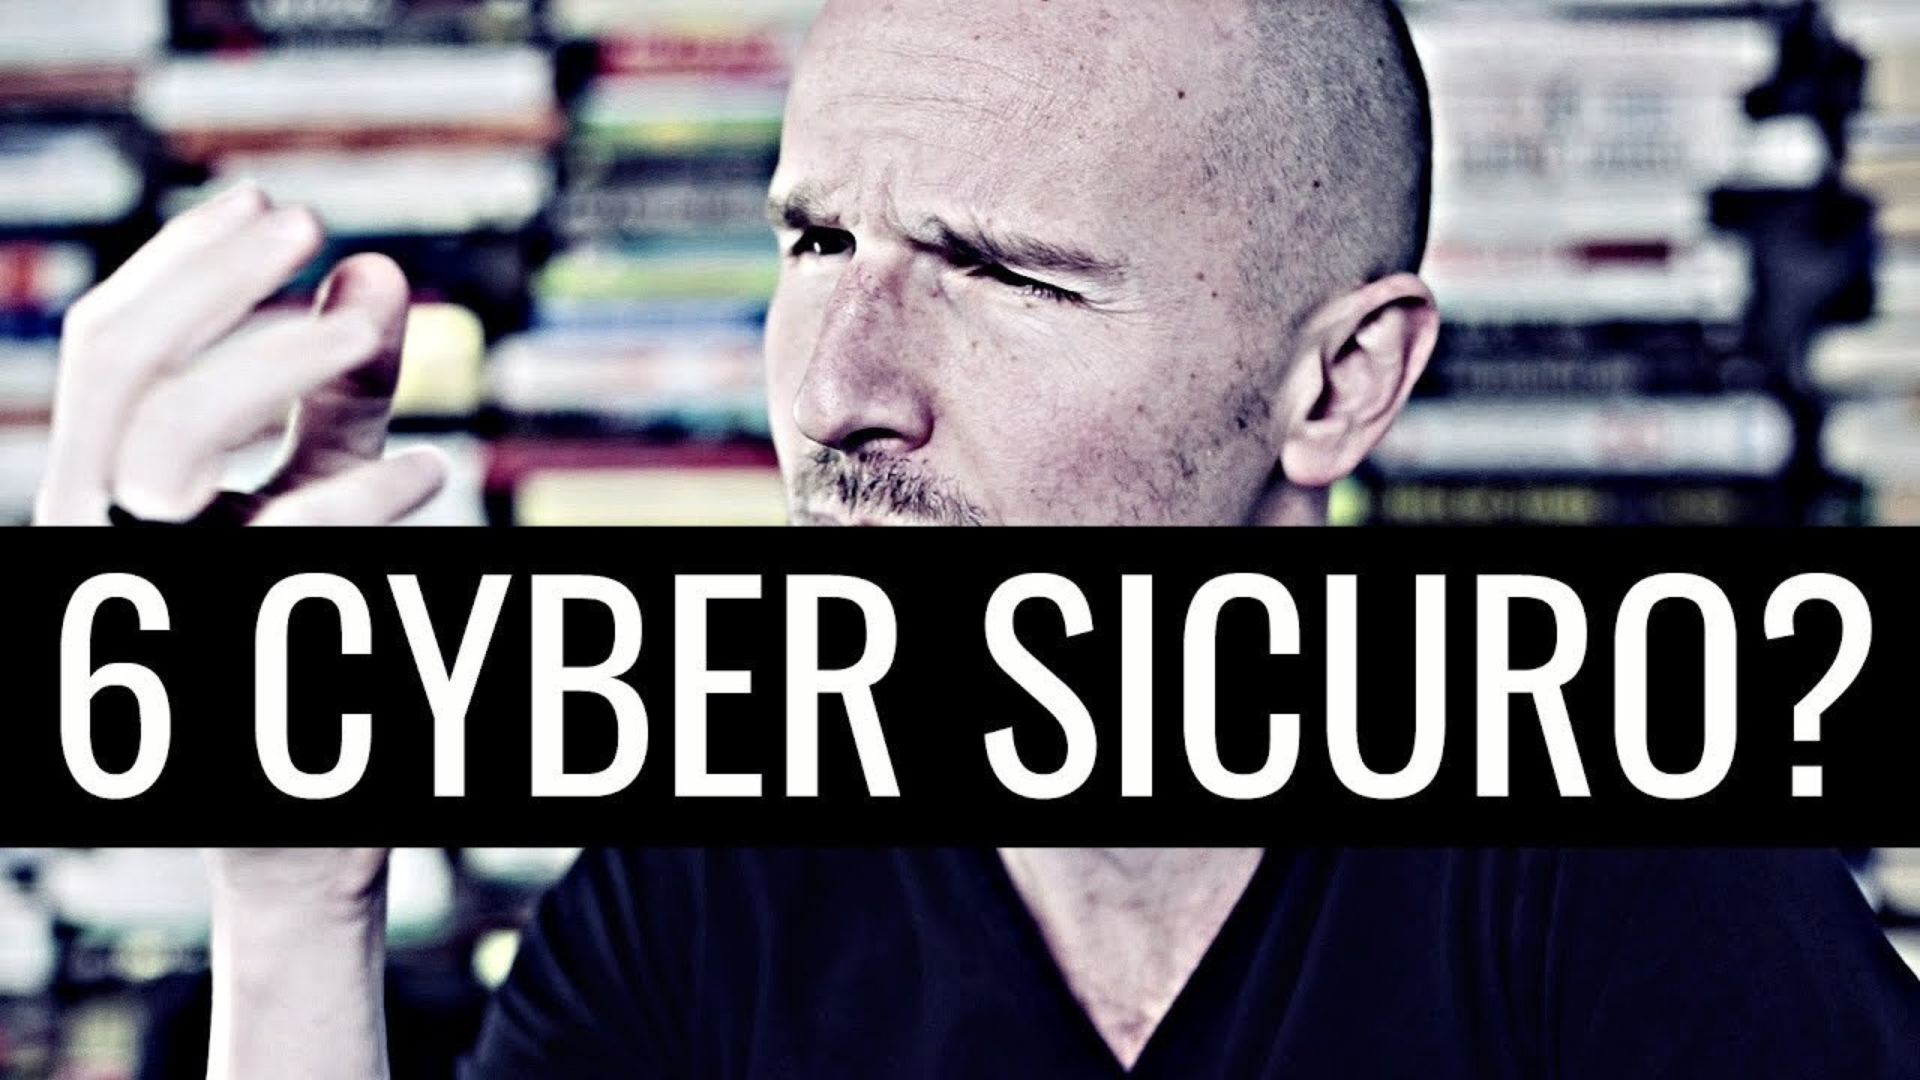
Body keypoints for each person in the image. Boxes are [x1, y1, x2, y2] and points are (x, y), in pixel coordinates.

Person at [31, 0, 1920, 1077]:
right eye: (814, 242)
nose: (835, 392)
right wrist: (296, 900)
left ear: (1340, 383)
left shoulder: (1633, 875)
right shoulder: (714, 883)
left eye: (1006, 273)